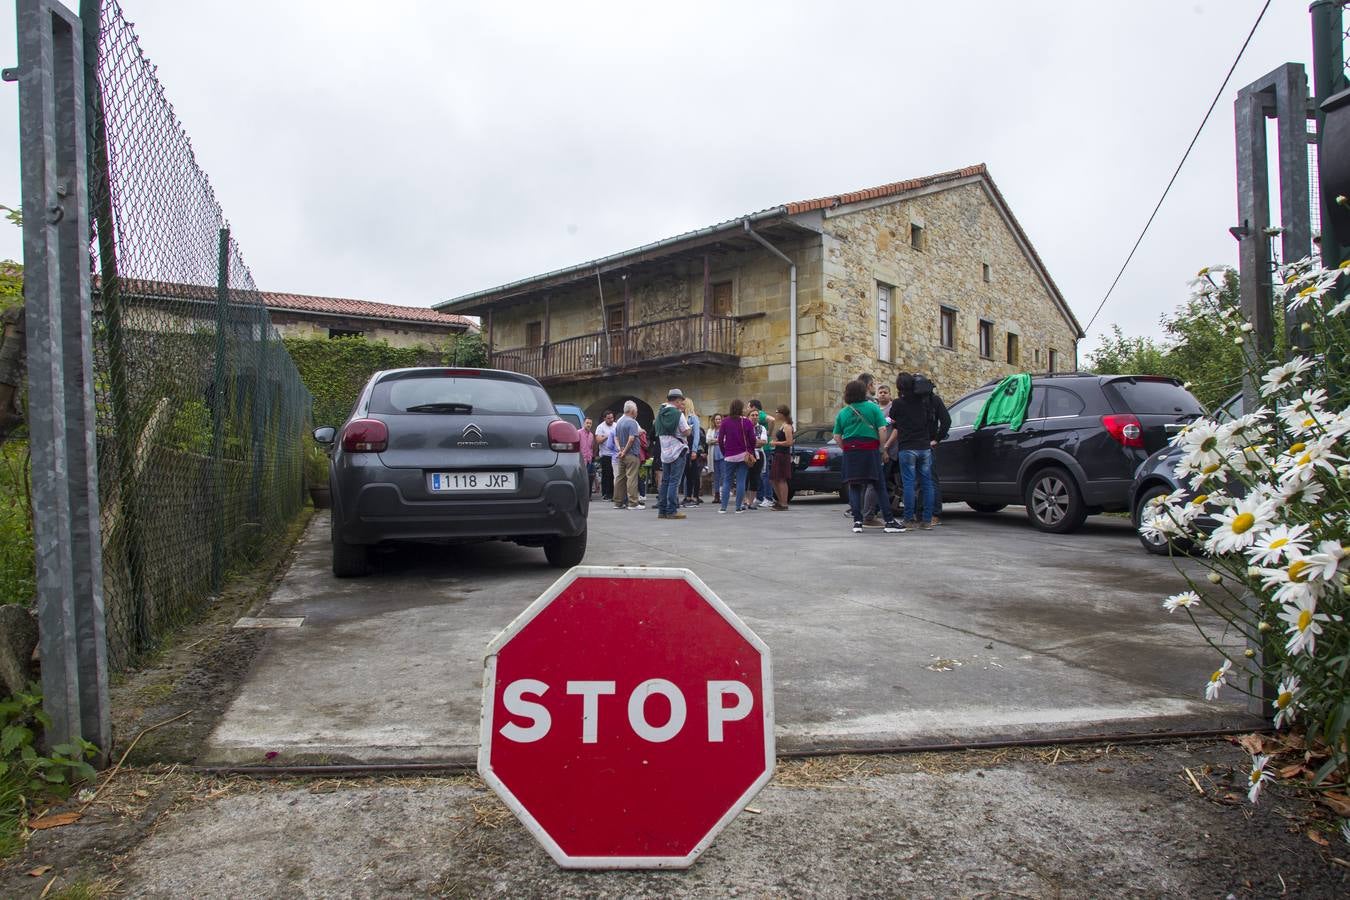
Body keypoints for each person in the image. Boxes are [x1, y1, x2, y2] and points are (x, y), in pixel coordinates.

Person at [833, 380, 904, 534]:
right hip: (870, 450)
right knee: (878, 485)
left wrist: (845, 448)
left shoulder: (843, 412)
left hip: (851, 451)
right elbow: (882, 429)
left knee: (854, 485)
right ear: (862, 392)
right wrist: (882, 448)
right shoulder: (872, 407)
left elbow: (837, 435)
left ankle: (857, 522)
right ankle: (889, 521)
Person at [885, 373, 951, 530]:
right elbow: (940, 421)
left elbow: (892, 420)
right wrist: (936, 438)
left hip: (907, 448)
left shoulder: (898, 403)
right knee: (928, 483)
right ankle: (927, 520)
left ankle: (909, 519)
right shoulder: (924, 403)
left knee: (908, 484)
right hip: (925, 447)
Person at [655, 388, 692, 520]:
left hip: (665, 452)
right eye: (681, 401)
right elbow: (686, 431)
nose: (681, 403)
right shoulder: (678, 414)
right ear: (677, 400)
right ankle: (672, 510)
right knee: (674, 482)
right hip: (678, 451)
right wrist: (689, 428)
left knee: (665, 481)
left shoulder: (659, 414)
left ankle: (662, 510)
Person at [717, 399, 757, 514]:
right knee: (741, 481)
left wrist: (724, 452)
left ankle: (723, 507)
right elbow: (753, 439)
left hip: (729, 455)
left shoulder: (725, 422)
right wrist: (750, 450)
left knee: (727, 481)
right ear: (741, 408)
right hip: (743, 455)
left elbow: (720, 440)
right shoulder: (747, 422)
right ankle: (738, 507)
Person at [612, 401, 644, 510]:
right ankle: (633, 503)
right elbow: (631, 439)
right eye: (636, 410)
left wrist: (619, 450)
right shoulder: (632, 422)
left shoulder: (619, 422)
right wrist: (625, 451)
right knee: (632, 478)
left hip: (621, 454)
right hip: (631, 454)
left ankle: (618, 502)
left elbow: (615, 438)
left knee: (620, 478)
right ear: (632, 411)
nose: (637, 412)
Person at [747, 399, 775, 508]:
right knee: (757, 475)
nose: (747, 409)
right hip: (757, 448)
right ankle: (759, 496)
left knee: (764, 473)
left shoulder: (760, 415)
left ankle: (768, 497)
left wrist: (769, 434)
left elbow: (772, 420)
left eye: (748, 407)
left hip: (763, 449)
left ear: (754, 407)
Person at [769, 405, 795, 510]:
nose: (776, 414)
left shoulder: (787, 426)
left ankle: (784, 503)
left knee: (781, 479)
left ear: (782, 414)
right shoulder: (783, 425)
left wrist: (776, 443)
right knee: (774, 479)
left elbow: (789, 442)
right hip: (778, 454)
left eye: (777, 412)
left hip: (783, 455)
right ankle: (780, 501)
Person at [681, 398, 704, 506]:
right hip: (684, 448)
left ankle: (695, 496)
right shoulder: (681, 417)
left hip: (692, 447)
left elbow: (697, 435)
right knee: (687, 473)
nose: (681, 405)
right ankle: (688, 496)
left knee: (694, 473)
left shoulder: (693, 418)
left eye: (683, 404)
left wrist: (694, 450)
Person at [594, 410, 617, 501]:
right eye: (608, 418)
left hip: (615, 454)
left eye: (612, 418)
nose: (611, 420)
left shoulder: (616, 425)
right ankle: (606, 494)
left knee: (614, 474)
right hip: (605, 454)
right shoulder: (600, 427)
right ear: (604, 419)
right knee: (607, 475)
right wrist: (608, 436)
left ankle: (613, 493)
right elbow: (598, 440)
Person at [708, 412, 725, 506]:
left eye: (719, 419)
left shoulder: (725, 429)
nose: (718, 421)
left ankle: (723, 495)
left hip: (723, 456)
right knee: (716, 477)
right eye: (716, 419)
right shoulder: (711, 430)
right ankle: (716, 495)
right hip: (714, 456)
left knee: (723, 476)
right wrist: (718, 441)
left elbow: (726, 440)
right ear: (714, 421)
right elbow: (708, 440)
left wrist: (714, 441)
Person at [580, 416, 596, 495]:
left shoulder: (591, 435)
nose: (589, 425)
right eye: (587, 423)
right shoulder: (578, 433)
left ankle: (588, 495)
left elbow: (591, 448)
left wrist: (591, 458)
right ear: (584, 423)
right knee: (581, 479)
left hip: (589, 460)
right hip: (581, 460)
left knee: (588, 479)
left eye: (590, 423)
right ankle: (582, 494)